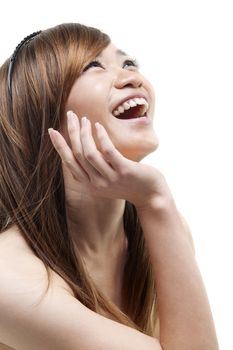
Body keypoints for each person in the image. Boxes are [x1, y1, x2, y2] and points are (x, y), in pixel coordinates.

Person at [0, 23, 219, 350]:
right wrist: (156, 199)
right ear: (41, 115)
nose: (133, 78)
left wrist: (157, 205)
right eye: (93, 66)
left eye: (129, 63)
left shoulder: (159, 231)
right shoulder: (8, 275)